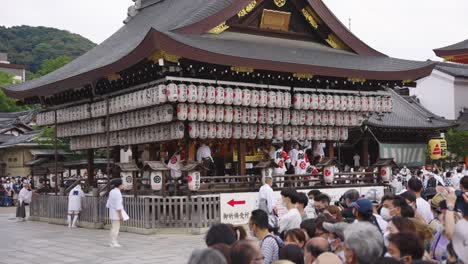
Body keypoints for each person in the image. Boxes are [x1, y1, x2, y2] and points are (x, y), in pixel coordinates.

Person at [106, 179, 127, 247]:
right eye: (122, 184)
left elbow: (108, 203)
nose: (123, 186)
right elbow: (118, 205)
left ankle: (113, 241)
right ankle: (113, 242)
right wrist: (120, 215)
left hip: (112, 211)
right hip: (116, 212)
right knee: (116, 228)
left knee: (113, 227)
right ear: (120, 185)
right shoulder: (118, 193)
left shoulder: (112, 191)